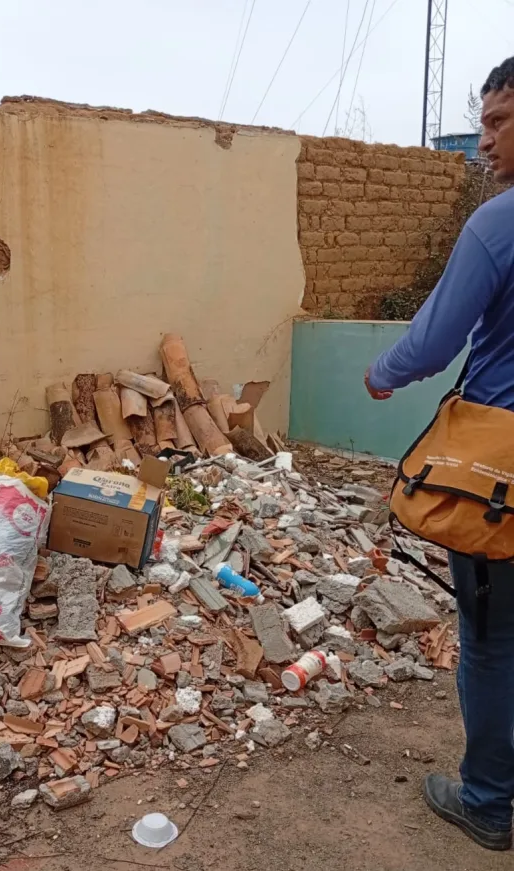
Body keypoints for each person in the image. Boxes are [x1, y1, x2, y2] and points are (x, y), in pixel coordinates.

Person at [365, 56, 514, 852]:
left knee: (492, 635)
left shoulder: (498, 222)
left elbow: (434, 339)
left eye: (498, 122)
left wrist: (381, 373)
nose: (483, 141)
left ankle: (489, 800)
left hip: (501, 472)